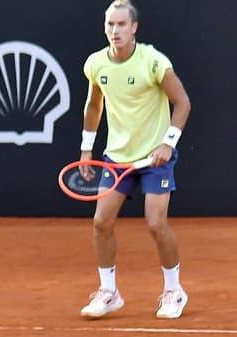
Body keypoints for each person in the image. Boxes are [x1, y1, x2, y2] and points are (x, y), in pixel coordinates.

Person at [77, 0, 191, 319]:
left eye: (122, 25)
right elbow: (93, 106)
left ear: (134, 28)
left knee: (155, 223)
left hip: (155, 156)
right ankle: (109, 292)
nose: (115, 31)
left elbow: (182, 103)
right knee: (101, 222)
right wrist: (87, 149)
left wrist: (168, 144)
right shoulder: (96, 64)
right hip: (117, 158)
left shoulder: (153, 61)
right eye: (110, 25)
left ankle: (174, 291)